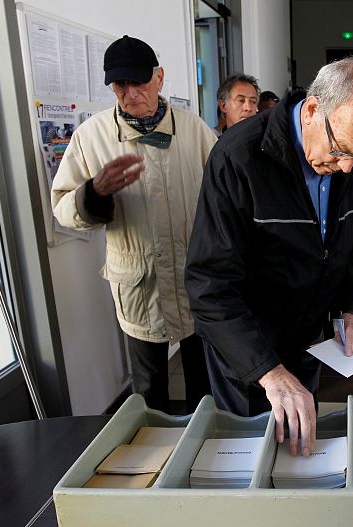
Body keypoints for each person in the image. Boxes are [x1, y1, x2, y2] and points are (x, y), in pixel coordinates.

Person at [185, 56, 353, 457]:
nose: (347, 168)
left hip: (307, 338)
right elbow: (209, 285)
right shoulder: (238, 157)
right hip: (247, 350)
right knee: (250, 453)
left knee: (298, 449)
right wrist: (268, 371)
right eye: (341, 151)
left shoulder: (347, 152)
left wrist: (347, 312)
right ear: (313, 109)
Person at [51, 35, 217, 413]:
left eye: (139, 82)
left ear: (159, 78)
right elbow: (62, 207)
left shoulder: (194, 131)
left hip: (195, 278)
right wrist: (93, 194)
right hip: (139, 284)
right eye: (119, 86)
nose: (130, 94)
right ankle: (152, 449)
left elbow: (225, 197)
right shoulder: (91, 137)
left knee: (205, 379)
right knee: (148, 389)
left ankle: (206, 441)